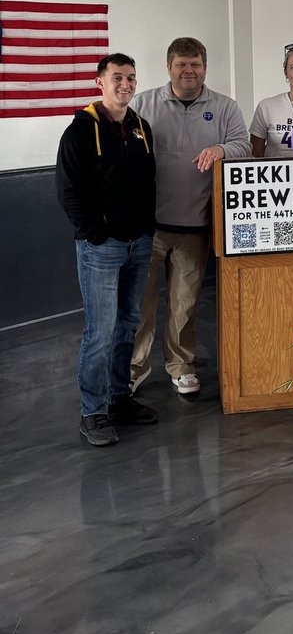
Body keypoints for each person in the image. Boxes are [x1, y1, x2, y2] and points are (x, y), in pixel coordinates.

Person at [130, 37, 249, 395]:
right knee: (141, 305)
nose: (188, 71)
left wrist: (220, 148)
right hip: (147, 226)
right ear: (169, 67)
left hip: (196, 225)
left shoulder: (225, 107)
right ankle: (133, 369)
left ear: (205, 68)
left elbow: (243, 146)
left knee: (184, 305)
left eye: (195, 64)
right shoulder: (144, 103)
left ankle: (180, 365)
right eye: (181, 64)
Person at [56, 53, 158, 446]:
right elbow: (68, 190)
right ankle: (93, 411)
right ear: (100, 82)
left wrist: (145, 230)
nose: (125, 85)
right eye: (117, 77)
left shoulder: (141, 127)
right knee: (100, 330)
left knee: (128, 324)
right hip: (102, 246)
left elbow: (148, 182)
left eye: (131, 78)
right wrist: (94, 233)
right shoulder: (81, 130)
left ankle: (119, 398)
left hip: (140, 242)